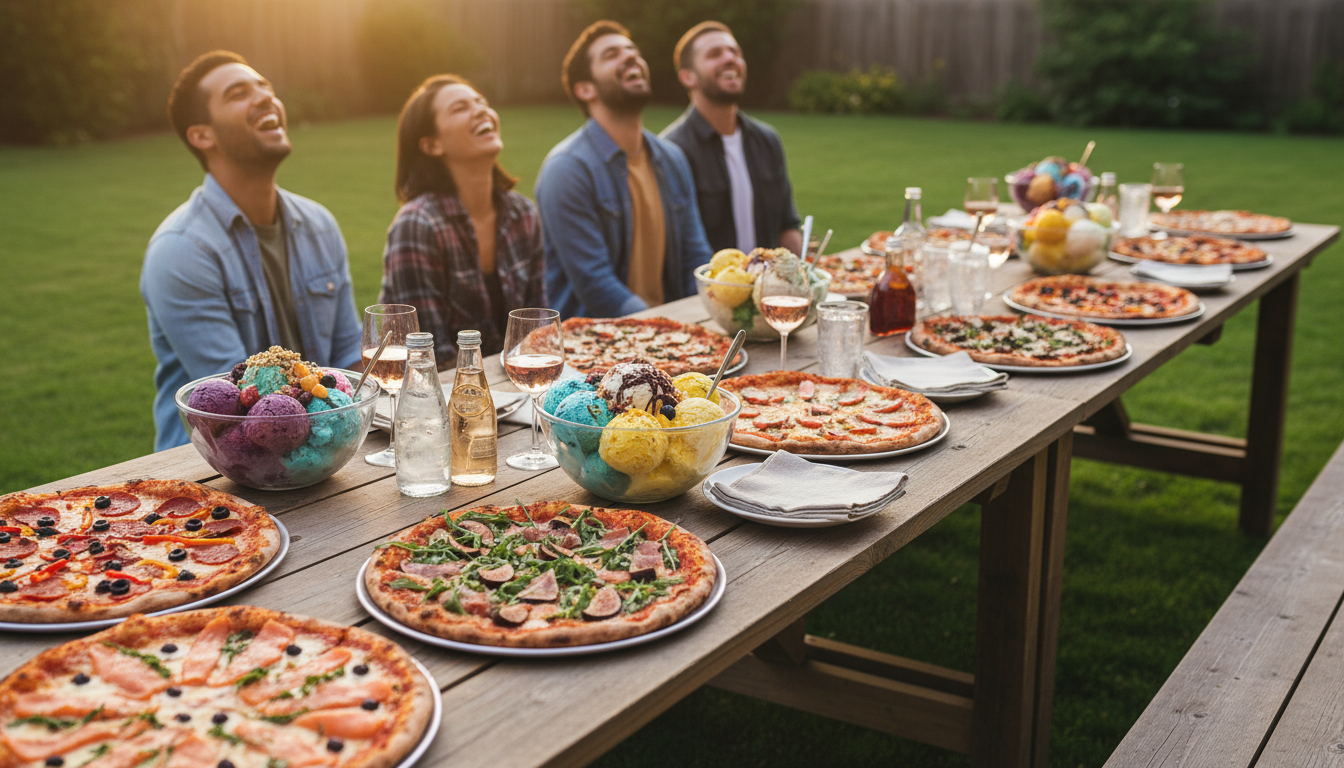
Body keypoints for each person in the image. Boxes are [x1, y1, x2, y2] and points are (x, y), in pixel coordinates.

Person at [141, 51, 361, 451]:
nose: (266, 98)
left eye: (267, 88)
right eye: (239, 93)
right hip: (220, 469)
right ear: (202, 135)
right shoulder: (181, 251)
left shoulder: (319, 225)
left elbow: (350, 362)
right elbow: (238, 406)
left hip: (324, 450)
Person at [535, 20, 712, 319]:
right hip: (596, 346)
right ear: (584, 89)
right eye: (611, 54)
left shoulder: (672, 159)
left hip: (673, 336)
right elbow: (597, 286)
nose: (631, 56)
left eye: (632, 50)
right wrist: (667, 328)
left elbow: (695, 259)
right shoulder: (566, 169)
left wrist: (706, 316)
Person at [378, 75, 544, 369]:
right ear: (432, 145)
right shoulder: (417, 226)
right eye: (460, 108)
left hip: (513, 391)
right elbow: (428, 359)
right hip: (437, 401)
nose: (482, 111)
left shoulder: (523, 215)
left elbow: (538, 333)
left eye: (482, 102)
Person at [661, 21, 803, 257]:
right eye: (715, 54)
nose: (730, 59)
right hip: (707, 292)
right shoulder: (671, 151)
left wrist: (796, 280)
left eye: (735, 52)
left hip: (767, 290)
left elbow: (787, 226)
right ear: (688, 77)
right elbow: (673, 250)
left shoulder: (767, 140)